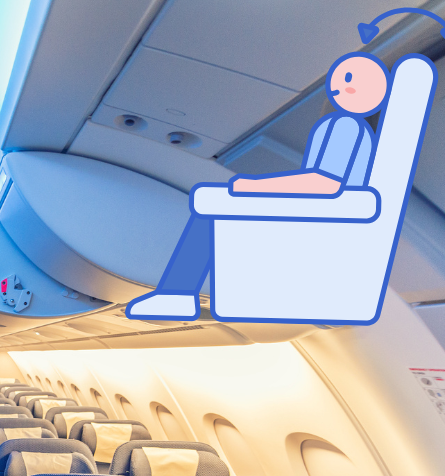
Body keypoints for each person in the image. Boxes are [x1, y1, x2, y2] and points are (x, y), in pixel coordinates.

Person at [126, 52, 390, 320]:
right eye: (338, 78)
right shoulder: (345, 127)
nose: (336, 85)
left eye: (347, 78)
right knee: (213, 203)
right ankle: (178, 295)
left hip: (323, 222)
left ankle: (178, 296)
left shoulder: (345, 127)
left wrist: (254, 187)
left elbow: (323, 183)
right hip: (325, 219)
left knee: (211, 204)